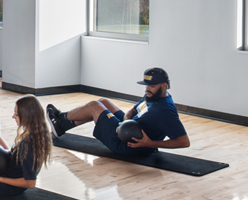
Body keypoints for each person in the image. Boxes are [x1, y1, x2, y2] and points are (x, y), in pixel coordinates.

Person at [45, 67, 190, 157]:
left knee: (95, 106)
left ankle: (60, 120)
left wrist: (151, 143)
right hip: (127, 127)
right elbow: (133, 111)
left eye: (151, 85)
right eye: (146, 85)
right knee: (103, 102)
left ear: (164, 85)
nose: (147, 89)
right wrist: (125, 121)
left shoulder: (165, 110)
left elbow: (184, 142)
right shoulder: (151, 96)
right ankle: (61, 125)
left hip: (128, 145)